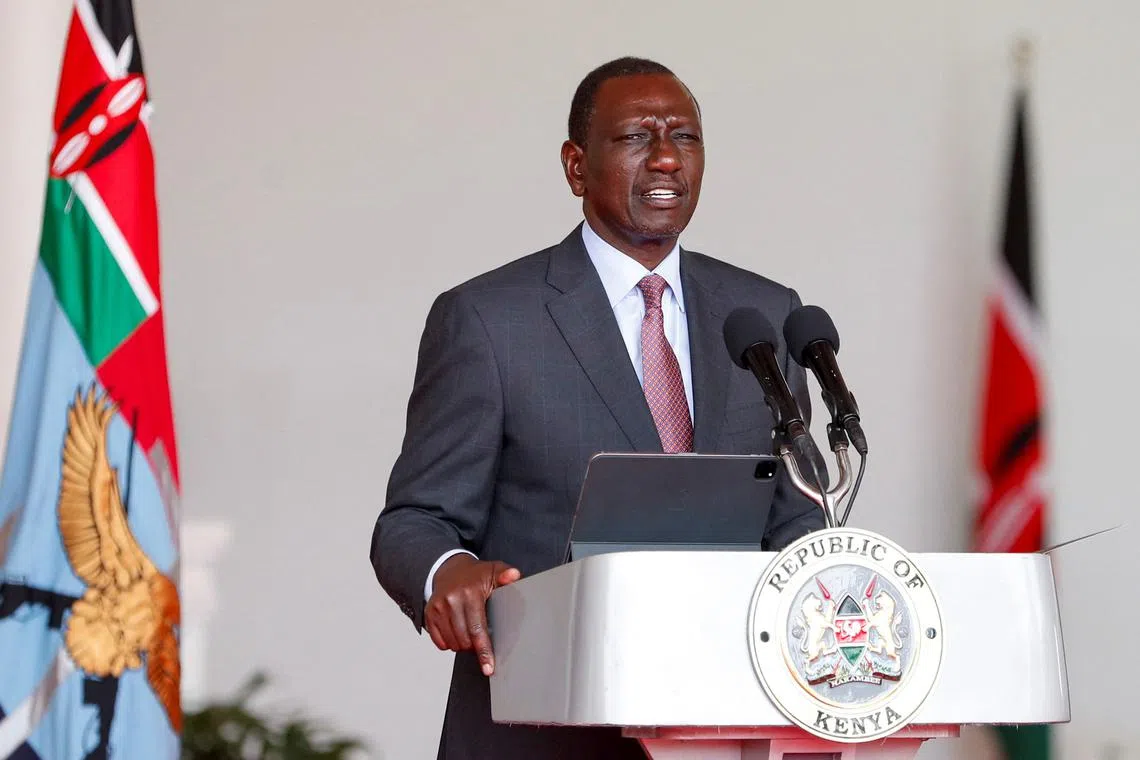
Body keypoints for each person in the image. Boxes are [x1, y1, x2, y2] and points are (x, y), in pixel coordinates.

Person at [369, 56, 825, 760]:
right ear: (576, 167)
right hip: (540, 732)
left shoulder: (761, 314)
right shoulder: (490, 321)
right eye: (637, 137)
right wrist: (448, 571)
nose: (668, 157)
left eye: (686, 136)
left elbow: (797, 516)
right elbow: (413, 521)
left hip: (729, 724)